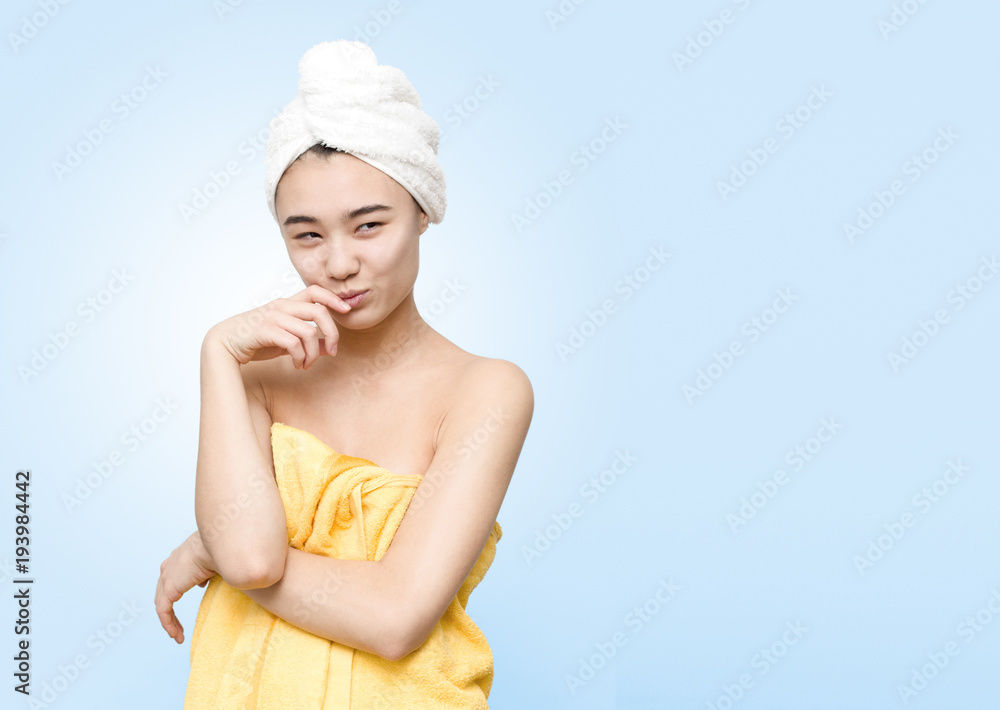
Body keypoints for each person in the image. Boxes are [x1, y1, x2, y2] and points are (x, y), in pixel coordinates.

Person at [154, 40, 533, 709]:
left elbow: (394, 620)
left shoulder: (487, 391)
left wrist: (208, 551)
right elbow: (249, 559)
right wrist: (216, 351)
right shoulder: (254, 374)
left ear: (421, 212)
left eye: (368, 226)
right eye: (307, 236)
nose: (339, 263)